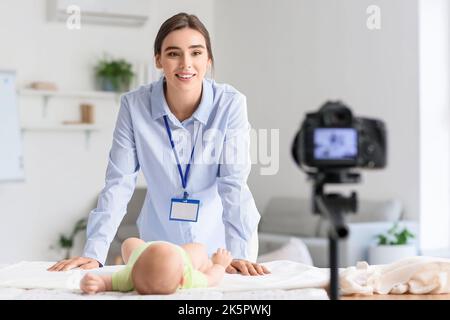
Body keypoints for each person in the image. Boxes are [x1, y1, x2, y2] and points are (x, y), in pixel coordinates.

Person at [48, 12, 269, 276]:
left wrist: (240, 254)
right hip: (158, 245)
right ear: (158, 60)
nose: (186, 64)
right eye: (174, 53)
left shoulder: (230, 104)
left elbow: (234, 185)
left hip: (220, 251)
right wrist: (94, 254)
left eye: (196, 53)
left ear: (208, 60)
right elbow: (119, 182)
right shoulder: (134, 106)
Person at [80, 237, 233, 294]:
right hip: (180, 254)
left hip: (143, 251)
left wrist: (97, 283)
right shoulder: (188, 276)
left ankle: (140, 248)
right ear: (182, 280)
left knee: (129, 242)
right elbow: (212, 278)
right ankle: (204, 262)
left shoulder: (129, 278)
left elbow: (106, 282)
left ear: (133, 271)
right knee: (199, 248)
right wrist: (219, 264)